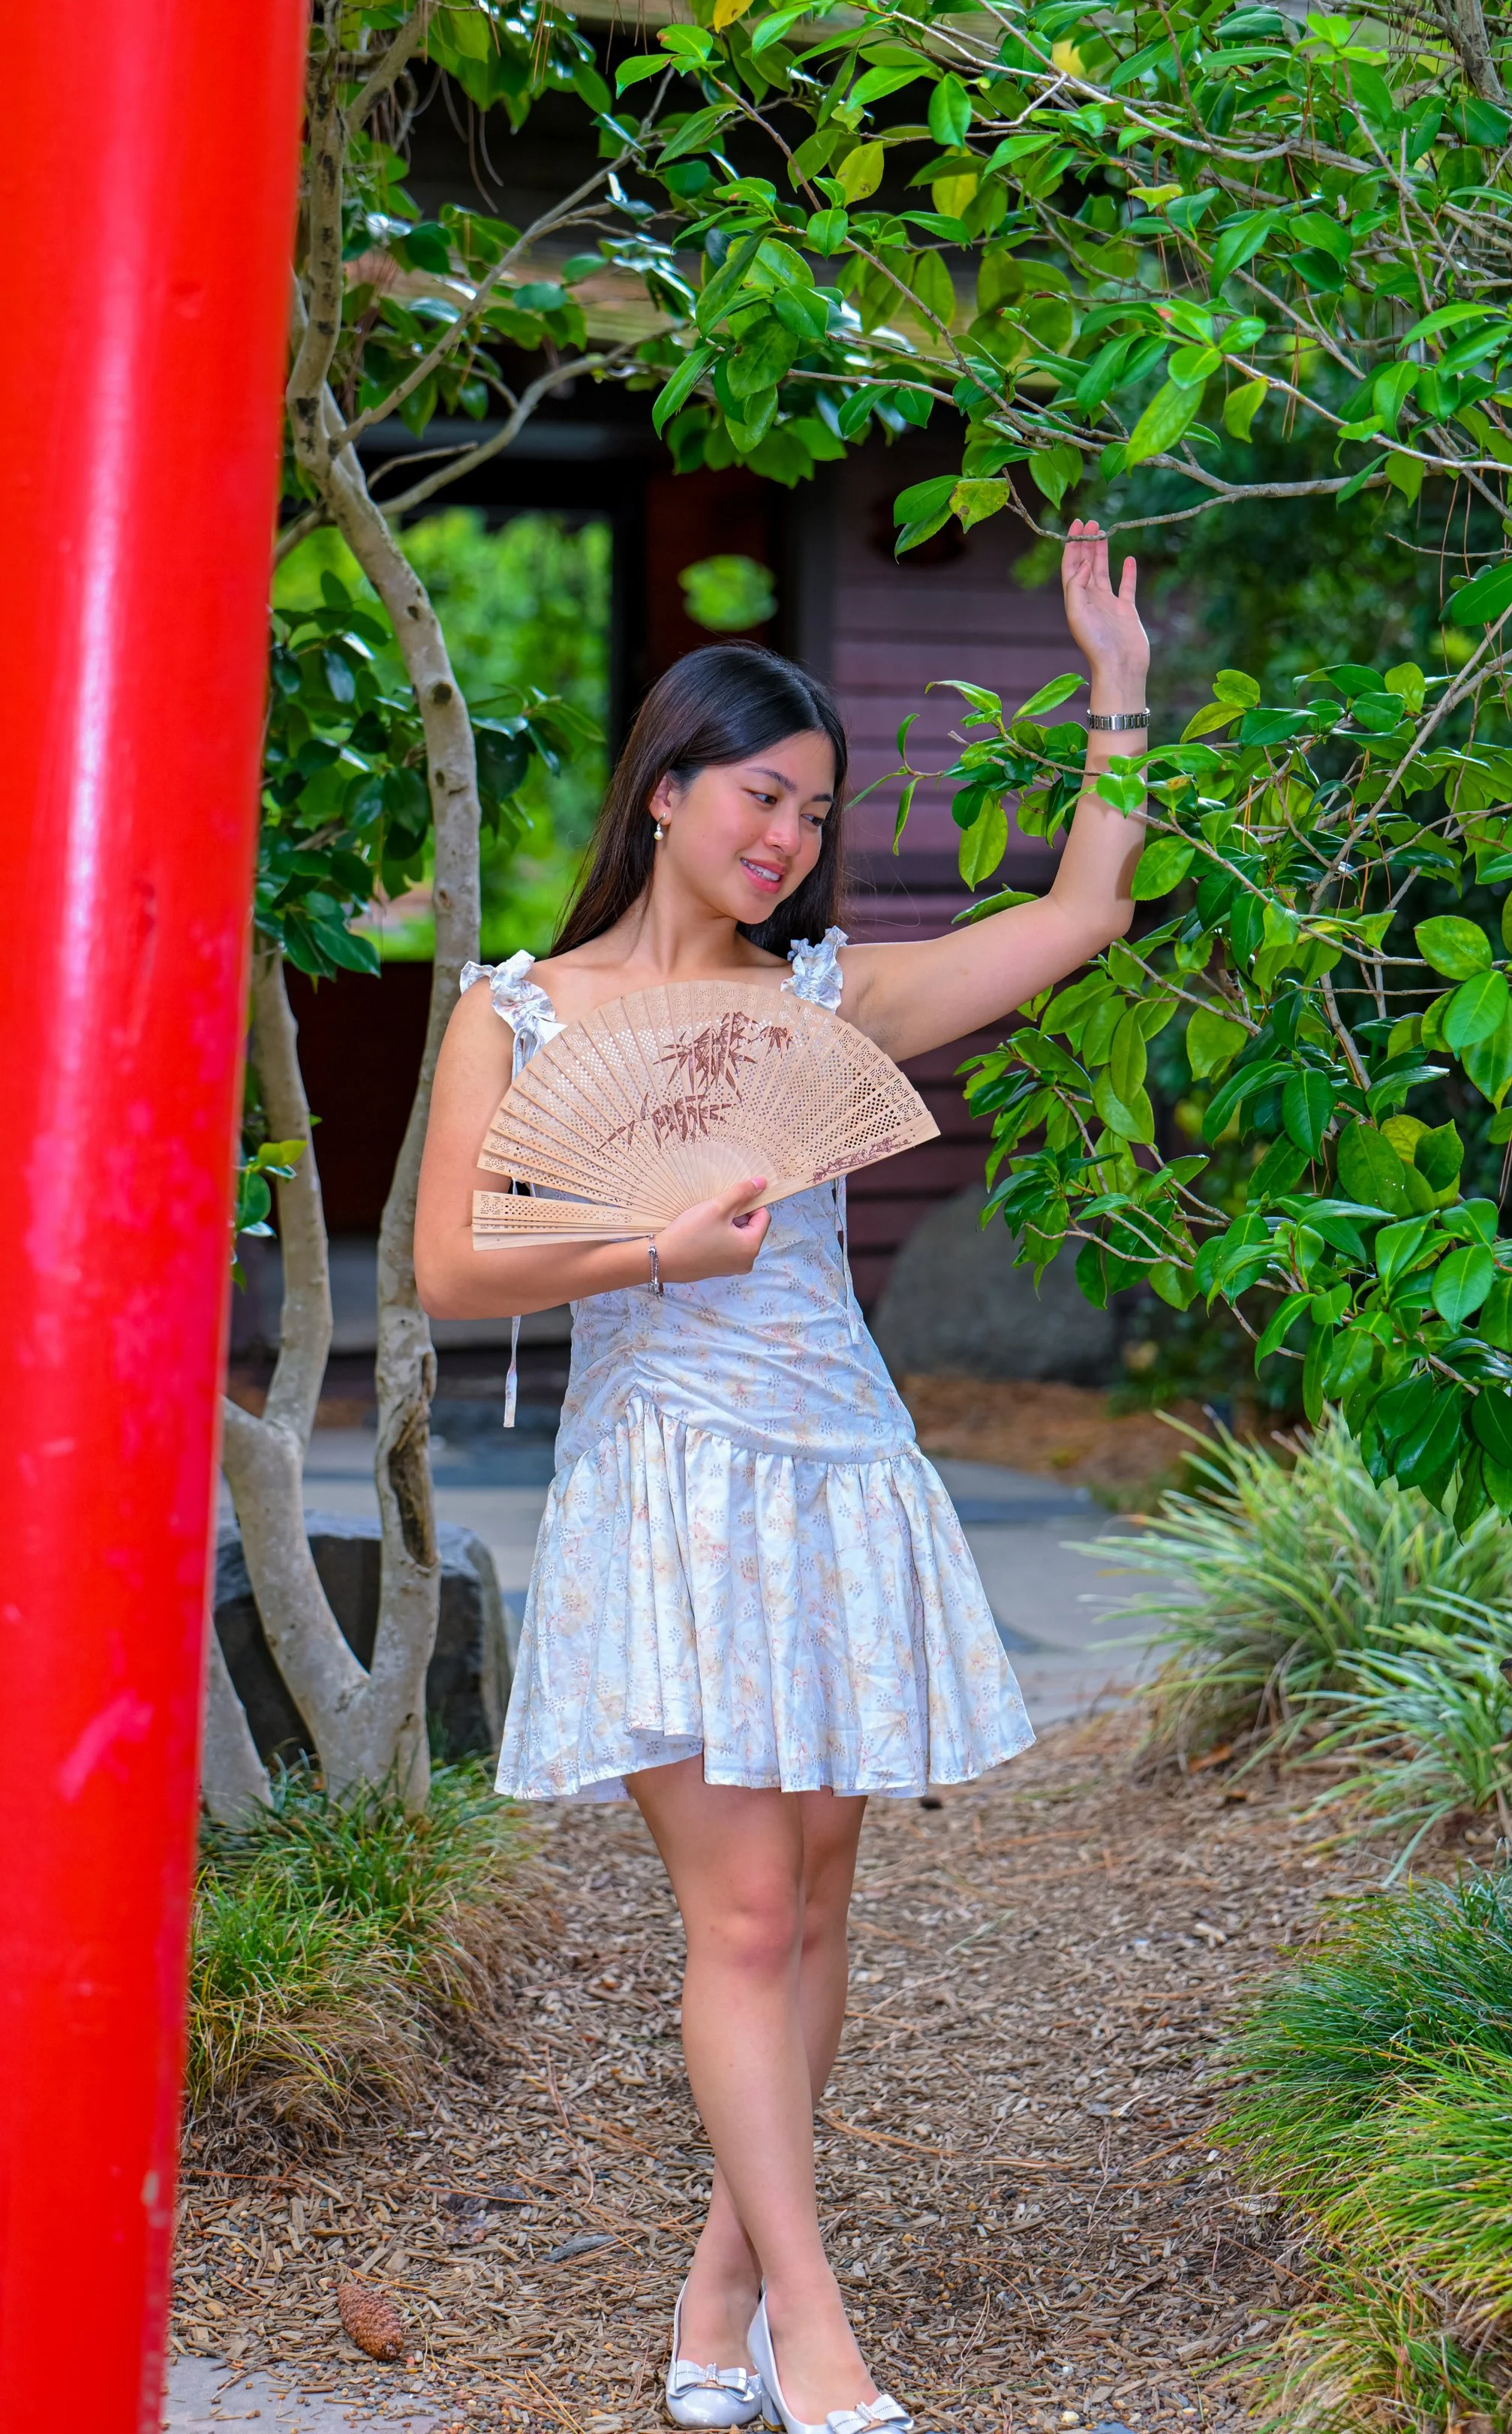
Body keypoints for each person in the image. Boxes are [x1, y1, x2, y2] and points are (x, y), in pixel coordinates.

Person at [413, 520, 1150, 2434]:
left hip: (840, 1478)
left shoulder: (821, 1000)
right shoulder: (522, 1012)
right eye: (762, 796)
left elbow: (1074, 922)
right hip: (667, 1483)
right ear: (667, 793)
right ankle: (817, 2336)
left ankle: (722, 2284)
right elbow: (444, 1271)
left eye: (816, 814)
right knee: (738, 1918)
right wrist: (659, 1251)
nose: (789, 841)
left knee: (815, 1906)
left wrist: (1116, 700)